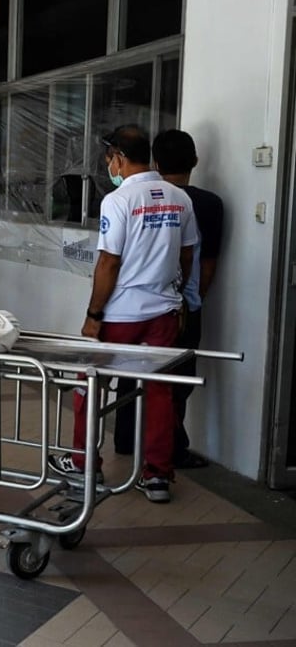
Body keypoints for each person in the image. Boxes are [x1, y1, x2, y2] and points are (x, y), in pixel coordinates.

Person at [49, 124, 197, 504]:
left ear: (118, 157)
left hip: (121, 316)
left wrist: (93, 314)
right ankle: (158, 477)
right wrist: (175, 292)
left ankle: (84, 462)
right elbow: (187, 254)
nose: (109, 166)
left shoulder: (118, 201)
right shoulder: (180, 198)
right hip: (163, 312)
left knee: (90, 384)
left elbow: (108, 264)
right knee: (159, 392)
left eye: (109, 159)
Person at [114, 130, 224, 468]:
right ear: (195, 162)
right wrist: (193, 301)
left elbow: (115, 257)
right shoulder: (206, 203)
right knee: (173, 383)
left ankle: (125, 440)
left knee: (130, 374)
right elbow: (205, 262)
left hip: (132, 307)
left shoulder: (134, 197)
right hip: (180, 306)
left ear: (156, 163)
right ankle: (170, 451)